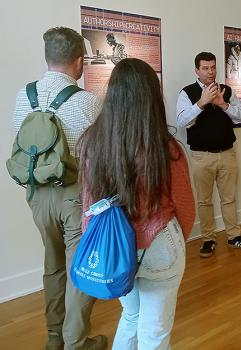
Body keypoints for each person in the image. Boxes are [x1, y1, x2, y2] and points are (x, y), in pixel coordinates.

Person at [79, 58, 196, 350]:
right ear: (152, 96)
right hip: (159, 243)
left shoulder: (92, 142)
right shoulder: (165, 146)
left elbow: (89, 205)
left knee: (131, 316)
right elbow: (185, 207)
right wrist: (173, 243)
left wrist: (93, 240)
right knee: (154, 333)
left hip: (112, 246)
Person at [11, 27, 105, 350]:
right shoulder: (88, 102)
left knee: (52, 265)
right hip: (73, 194)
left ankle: (54, 337)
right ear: (79, 61)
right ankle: (76, 342)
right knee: (78, 268)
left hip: (36, 196)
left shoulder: (24, 95)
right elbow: (99, 153)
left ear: (47, 56)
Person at [176, 52, 241, 258]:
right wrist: (201, 103)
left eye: (213, 67)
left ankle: (233, 236)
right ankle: (208, 239)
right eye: (205, 68)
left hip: (227, 154)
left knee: (229, 199)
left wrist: (222, 104)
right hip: (201, 157)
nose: (210, 72)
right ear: (197, 70)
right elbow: (182, 121)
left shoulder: (226, 90)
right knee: (204, 201)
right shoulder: (187, 92)